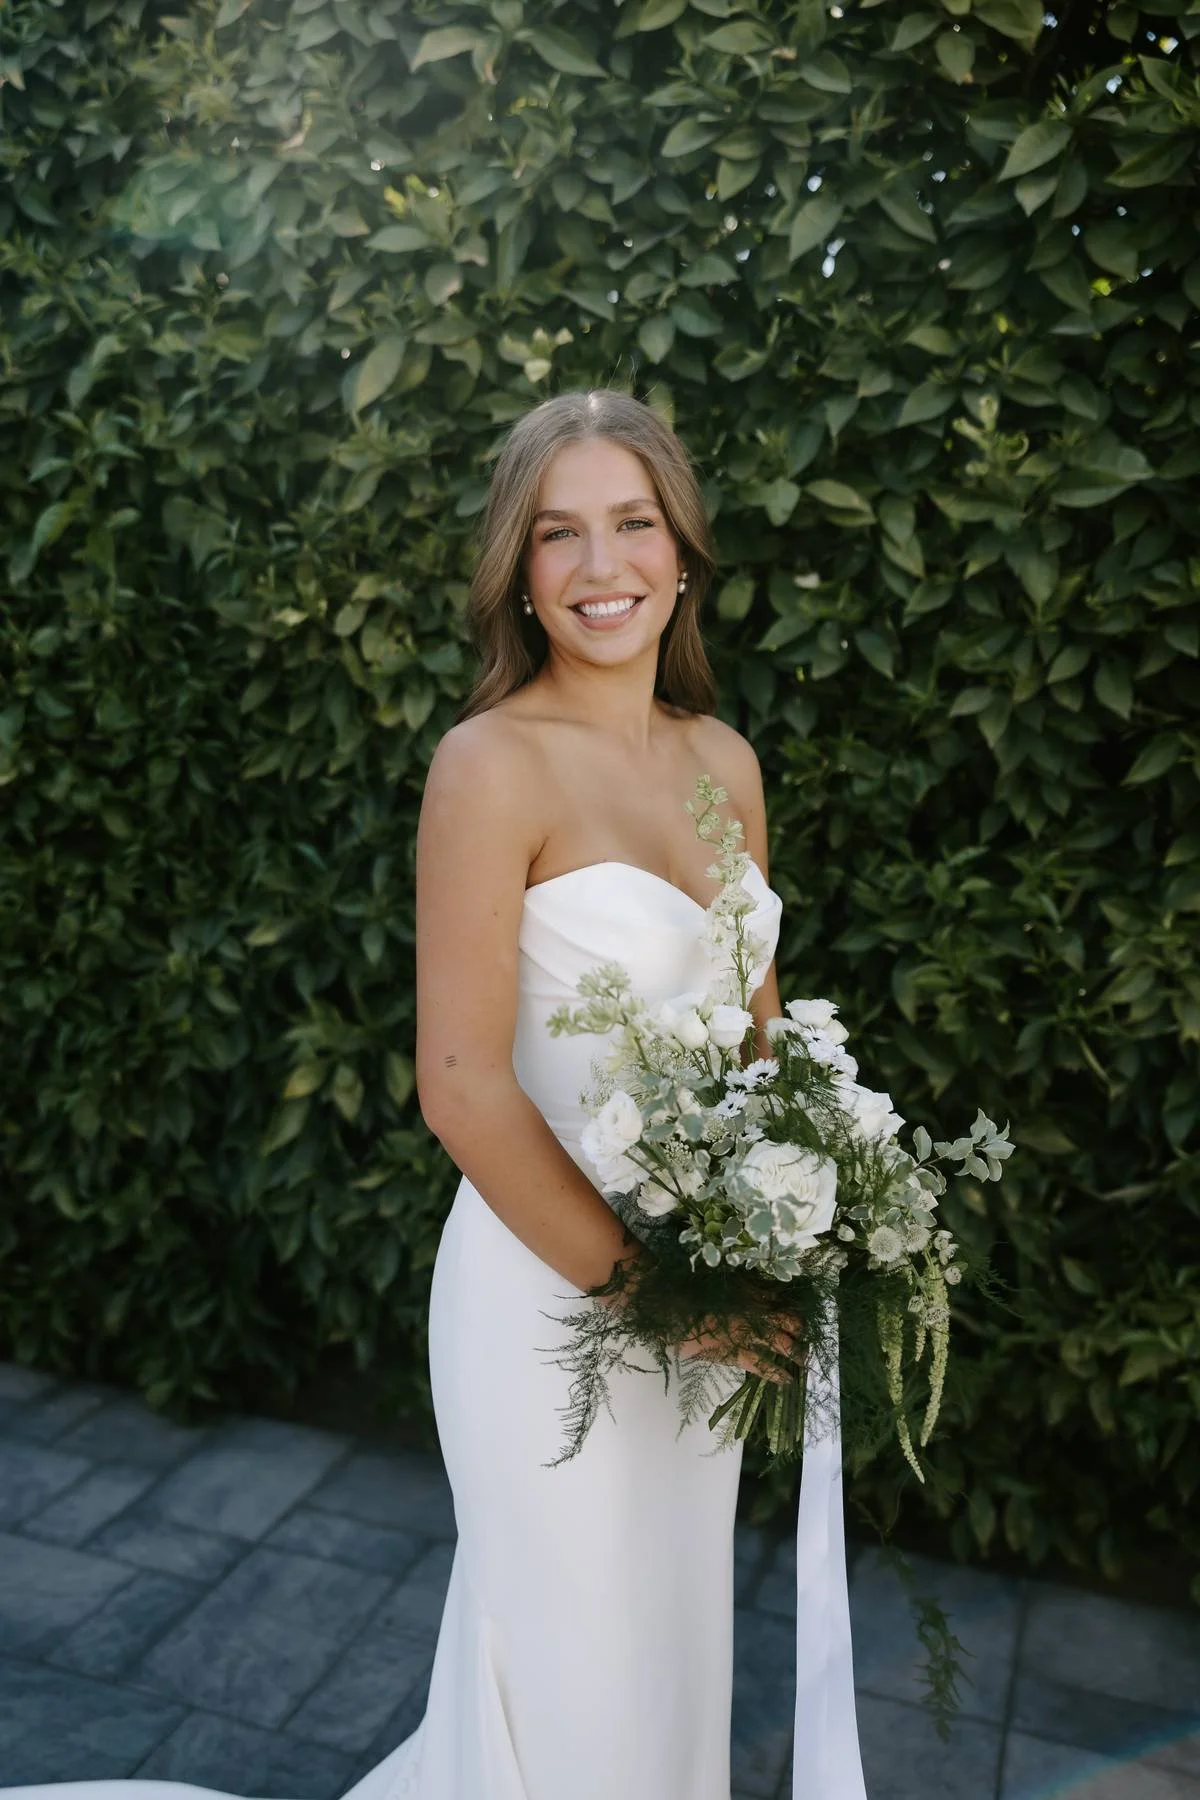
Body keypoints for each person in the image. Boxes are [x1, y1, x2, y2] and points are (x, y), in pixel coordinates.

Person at [3, 389, 865, 1800]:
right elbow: (460, 1086)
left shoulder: (725, 762)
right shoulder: (489, 763)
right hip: (548, 1307)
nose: (602, 566)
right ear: (518, 571)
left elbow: (757, 1032)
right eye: (559, 533)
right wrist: (663, 1295)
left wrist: (805, 1217)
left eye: (634, 523)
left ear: (685, 550)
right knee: (570, 1701)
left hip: (702, 1308)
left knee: (665, 1680)